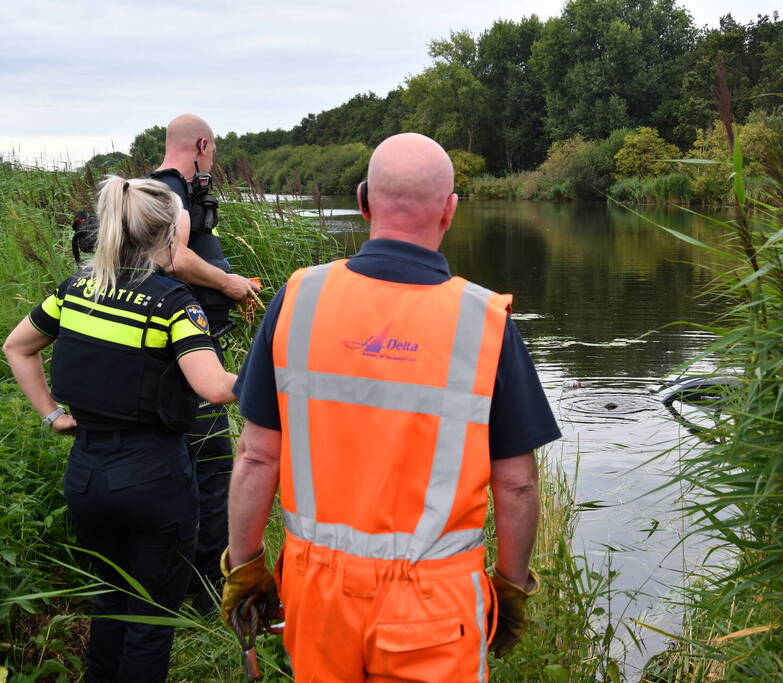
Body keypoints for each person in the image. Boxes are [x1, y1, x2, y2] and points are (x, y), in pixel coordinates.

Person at [220, 133, 562, 681]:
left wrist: (245, 564)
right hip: (436, 600)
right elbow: (517, 484)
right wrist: (512, 585)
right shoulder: (484, 322)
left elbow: (257, 457)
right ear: (450, 210)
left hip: (318, 595)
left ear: (362, 200)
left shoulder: (299, 299)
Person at [3, 175, 238, 681]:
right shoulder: (174, 303)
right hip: (154, 480)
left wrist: (52, 414)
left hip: (86, 475)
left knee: (111, 597)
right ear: (171, 234)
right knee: (151, 618)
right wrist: (281, 372)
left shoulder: (76, 290)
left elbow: (16, 347)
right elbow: (215, 387)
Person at [150, 113, 260, 611]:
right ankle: (207, 589)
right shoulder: (171, 192)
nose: (210, 163)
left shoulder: (148, 191)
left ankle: (178, 575)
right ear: (201, 145)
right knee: (213, 459)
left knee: (185, 457)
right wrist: (228, 283)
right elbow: (172, 258)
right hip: (187, 352)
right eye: (212, 153)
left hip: (177, 347)